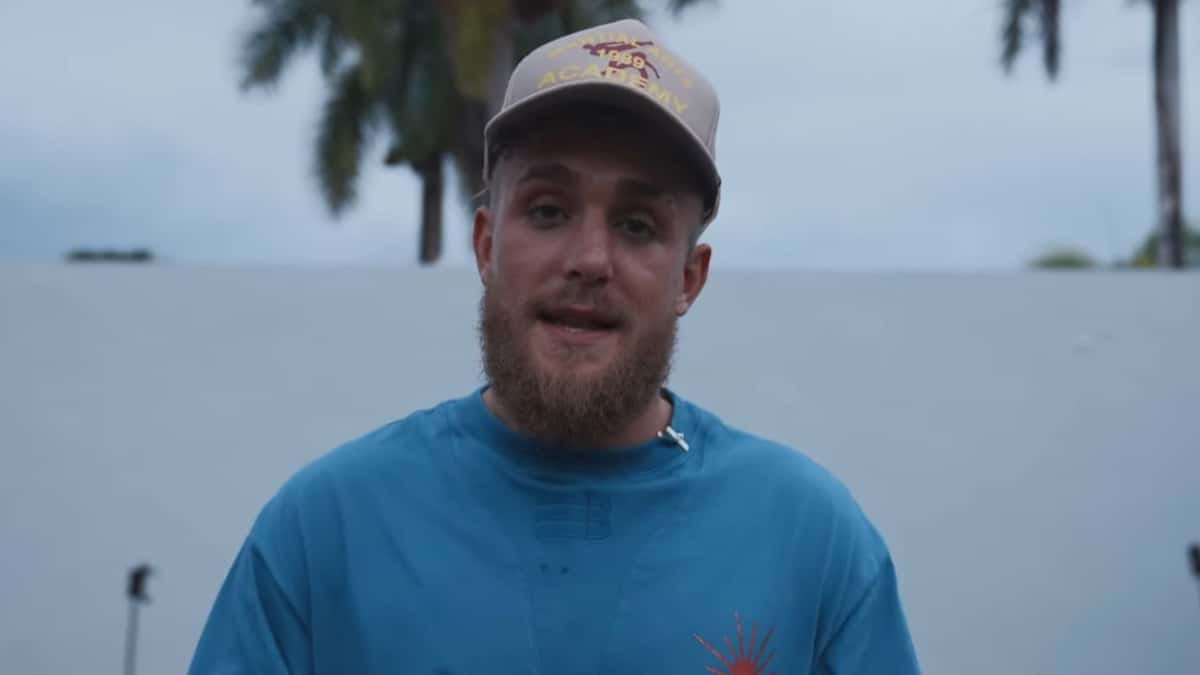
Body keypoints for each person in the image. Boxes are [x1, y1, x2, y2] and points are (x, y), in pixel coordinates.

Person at [188, 18, 920, 675]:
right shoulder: (326, 531)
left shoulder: (811, 538)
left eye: (637, 223)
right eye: (547, 209)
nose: (589, 258)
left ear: (688, 278)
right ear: (485, 245)